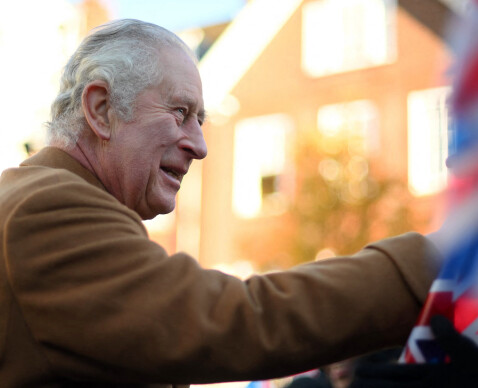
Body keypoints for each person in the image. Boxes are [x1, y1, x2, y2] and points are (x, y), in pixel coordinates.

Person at [0, 19, 441, 387]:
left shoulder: (43, 199)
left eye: (201, 120)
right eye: (180, 112)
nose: (200, 145)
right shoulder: (45, 208)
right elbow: (233, 322)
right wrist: (436, 262)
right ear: (100, 110)